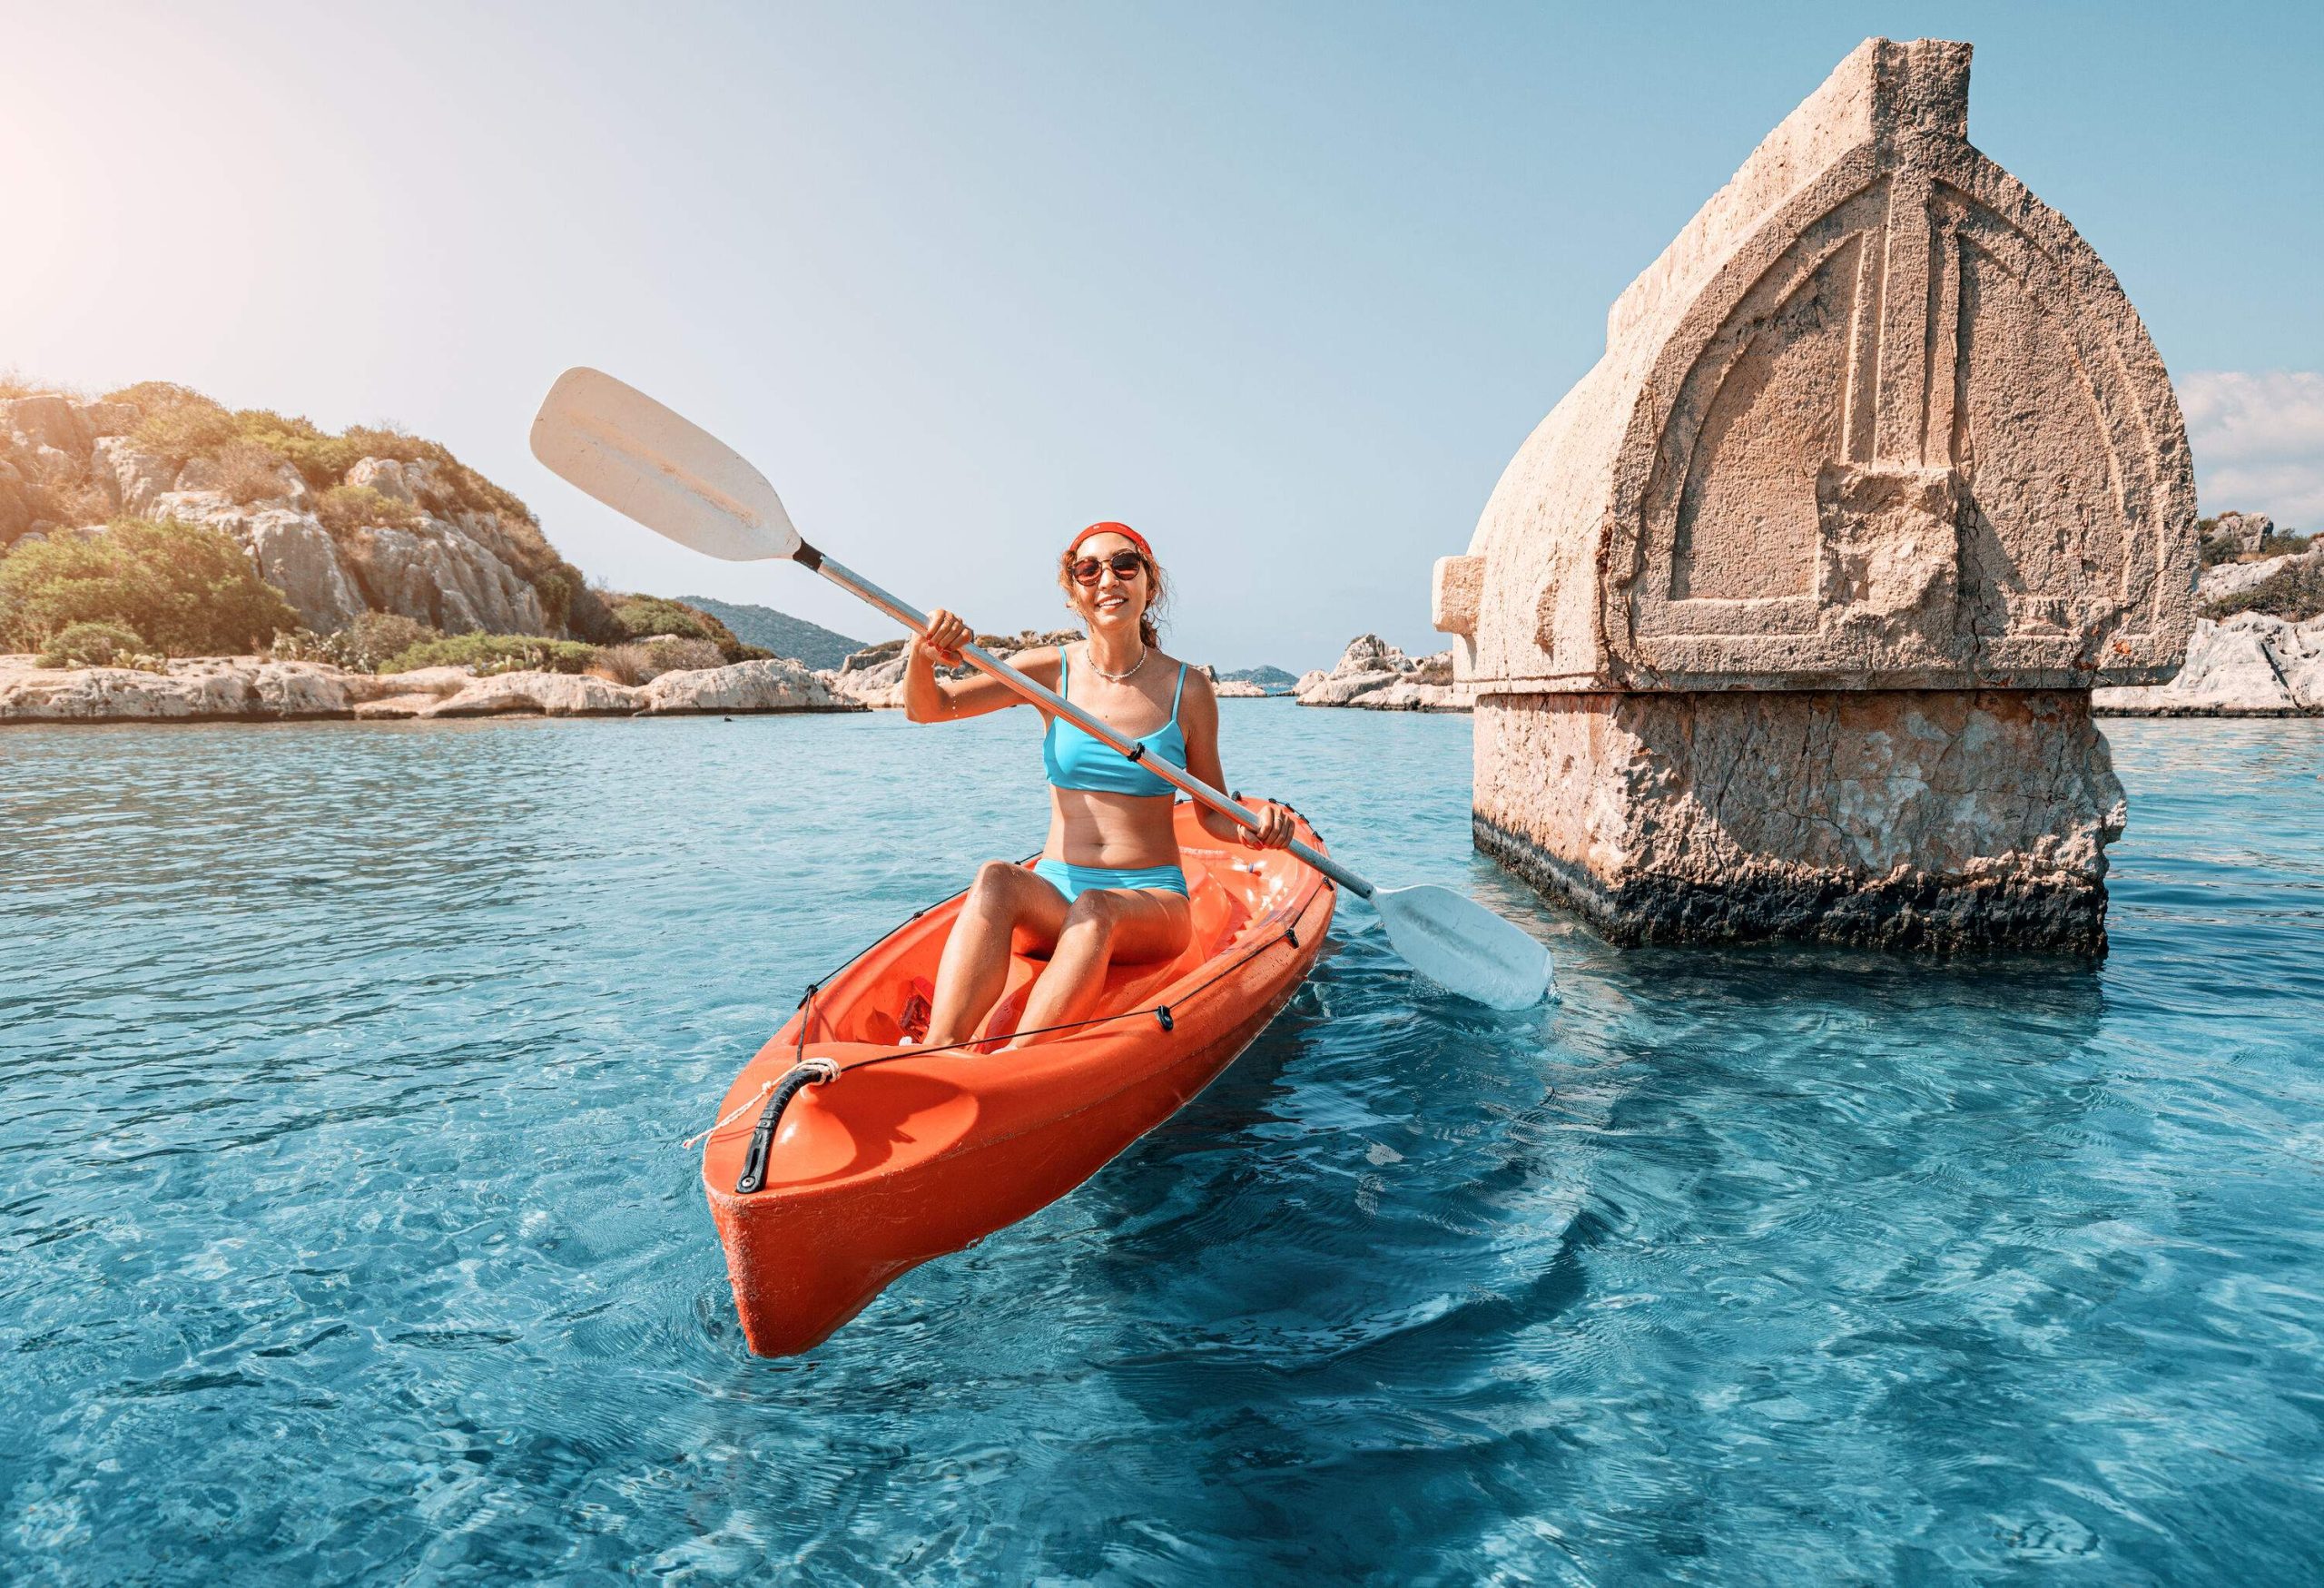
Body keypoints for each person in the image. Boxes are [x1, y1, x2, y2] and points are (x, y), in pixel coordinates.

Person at [903, 521, 1295, 1048]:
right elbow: (929, 709)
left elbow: (1211, 810)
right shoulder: (1045, 672)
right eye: (1088, 569)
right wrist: (922, 651)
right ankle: (938, 1054)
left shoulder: (1188, 689)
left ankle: (1017, 1070)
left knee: (1097, 908)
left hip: (1149, 899)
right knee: (996, 877)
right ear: (1073, 594)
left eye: (1123, 565)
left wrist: (1253, 829)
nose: (1107, 578)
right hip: (1056, 887)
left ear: (1148, 585)